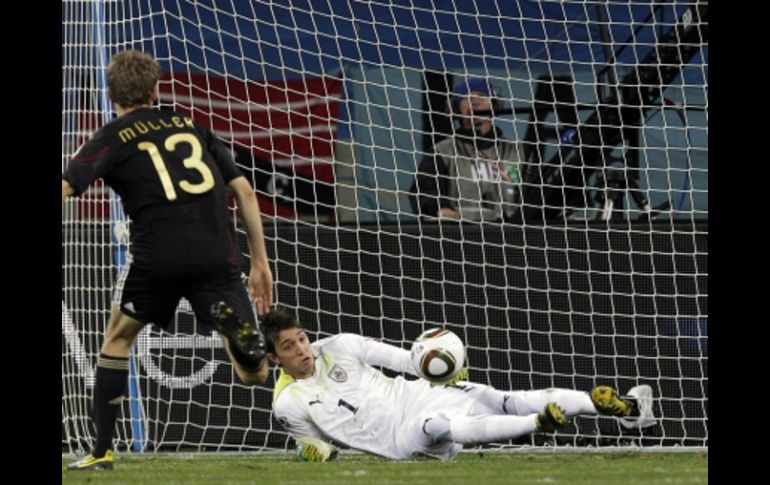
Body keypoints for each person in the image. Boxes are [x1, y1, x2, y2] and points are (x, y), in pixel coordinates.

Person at [63, 50, 274, 470]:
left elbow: (68, 186)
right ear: (155, 89)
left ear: (111, 94)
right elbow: (245, 193)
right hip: (217, 252)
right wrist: (261, 263)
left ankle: (102, 449)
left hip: (156, 255)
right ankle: (235, 330)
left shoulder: (112, 136)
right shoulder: (192, 127)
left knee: (118, 339)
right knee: (255, 375)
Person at [263, 307, 654, 461]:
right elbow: (311, 446)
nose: (302, 349)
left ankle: (623, 409)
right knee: (437, 426)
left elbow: (407, 361)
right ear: (273, 358)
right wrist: (314, 453)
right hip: (400, 438)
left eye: (302, 338)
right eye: (289, 346)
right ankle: (537, 425)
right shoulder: (287, 402)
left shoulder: (342, 346)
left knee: (503, 399)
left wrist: (441, 368)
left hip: (419, 394)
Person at [411, 77, 526, 222]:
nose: (475, 102)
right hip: (462, 236)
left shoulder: (517, 151)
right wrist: (441, 208)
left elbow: (535, 191)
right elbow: (422, 191)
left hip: (514, 235)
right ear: (456, 109)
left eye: (482, 96)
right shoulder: (442, 151)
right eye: (467, 98)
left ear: (494, 105)